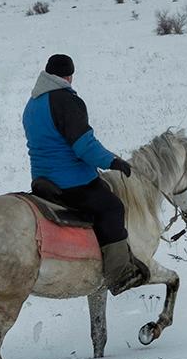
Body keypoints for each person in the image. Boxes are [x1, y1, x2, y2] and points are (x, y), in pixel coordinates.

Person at [22, 54, 149, 295]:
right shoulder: (66, 101)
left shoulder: (33, 103)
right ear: (69, 76)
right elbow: (84, 145)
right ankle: (118, 275)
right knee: (113, 208)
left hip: (41, 180)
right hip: (71, 182)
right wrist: (112, 161)